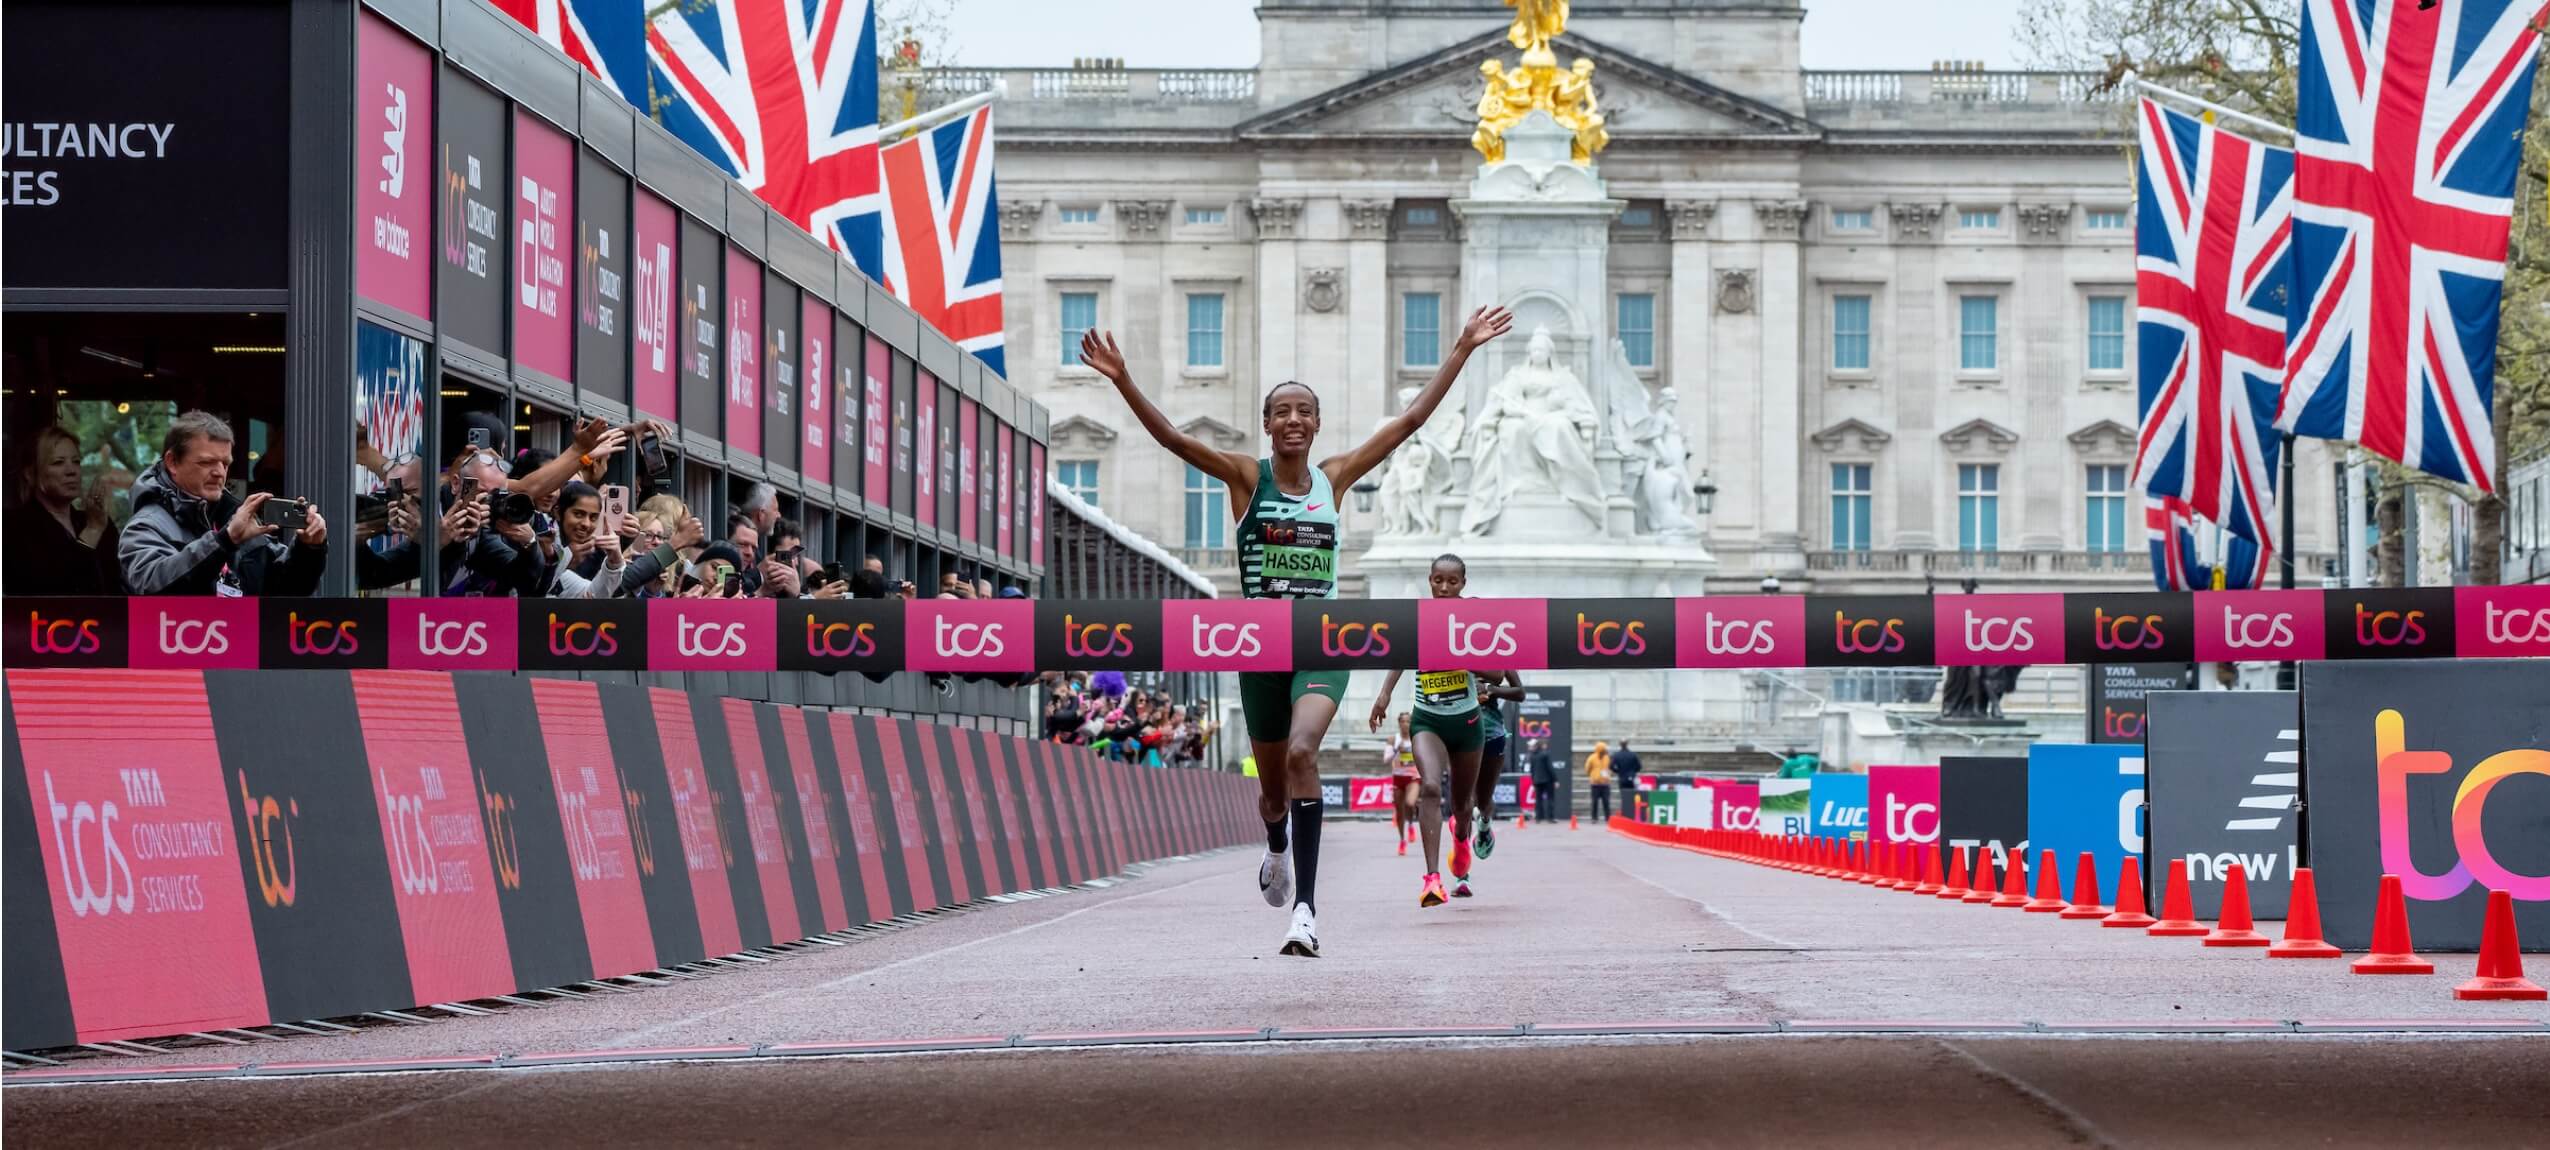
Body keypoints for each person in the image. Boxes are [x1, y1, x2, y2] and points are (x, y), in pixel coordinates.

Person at [1078, 303, 1513, 956]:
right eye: (1281, 411)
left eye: (1302, 412)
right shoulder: (1245, 477)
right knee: (1273, 796)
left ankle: (1305, 912)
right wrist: (1122, 380)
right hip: (1259, 650)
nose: (1292, 420)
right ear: (1267, 425)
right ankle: (1277, 842)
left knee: (1306, 751)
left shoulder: (1335, 479)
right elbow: (1172, 439)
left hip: (1322, 643)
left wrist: (1460, 349)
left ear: (1315, 426)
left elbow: (1412, 422)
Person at [1367, 553, 1490, 907]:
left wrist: (1477, 659)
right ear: (1430, 580)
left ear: (1463, 584)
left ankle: (1462, 840)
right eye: (1438, 580)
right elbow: (1403, 654)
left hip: (1467, 721)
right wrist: (1385, 694)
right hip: (1428, 719)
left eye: (1453, 582)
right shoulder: (1419, 615)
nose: (1445, 587)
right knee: (1432, 787)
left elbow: (1498, 664)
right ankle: (1432, 878)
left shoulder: (1473, 615)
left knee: (1463, 805)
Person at [119, 411, 330, 596]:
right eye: (206, 462)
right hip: (178, 640)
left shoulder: (234, 517)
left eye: (225, 463)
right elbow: (151, 586)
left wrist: (309, 549)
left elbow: (287, 590)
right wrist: (224, 541)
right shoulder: (148, 525)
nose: (219, 472)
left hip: (238, 639)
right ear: (172, 462)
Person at [6, 424, 116, 594]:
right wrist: (92, 532)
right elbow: (56, 589)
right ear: (30, 474)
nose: (72, 471)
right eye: (58, 463)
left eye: (76, 462)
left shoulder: (96, 521)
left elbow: (119, 588)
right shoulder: (12, 527)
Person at [1471, 671, 1524, 866]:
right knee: (1463, 802)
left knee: (1482, 800)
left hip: (1491, 733)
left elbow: (1520, 693)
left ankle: (1484, 824)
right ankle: (1462, 874)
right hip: (1459, 731)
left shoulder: (1499, 650)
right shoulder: (1452, 650)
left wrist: (1490, 689)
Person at [1385, 713, 1418, 856]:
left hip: (1413, 777)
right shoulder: (1393, 739)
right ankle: (1402, 840)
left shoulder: (1416, 739)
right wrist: (1396, 750)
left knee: (1410, 803)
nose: (1405, 724)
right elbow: (1386, 759)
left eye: (1408, 721)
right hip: (1398, 777)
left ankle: (1411, 824)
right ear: (1399, 723)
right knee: (1399, 812)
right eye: (1403, 721)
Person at [1527, 739, 1557, 823]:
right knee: (1550, 799)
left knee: (1538, 800)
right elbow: (1550, 768)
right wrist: (1555, 780)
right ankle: (1550, 818)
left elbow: (1531, 770)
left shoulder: (1532, 756)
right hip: (1547, 780)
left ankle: (1538, 818)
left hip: (1537, 780)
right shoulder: (1545, 754)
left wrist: (1533, 780)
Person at [1613, 740, 1643, 820]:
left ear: (1620, 745)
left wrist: (1618, 771)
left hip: (1622, 778)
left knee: (1623, 797)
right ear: (1627, 744)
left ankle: (1625, 814)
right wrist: (1633, 772)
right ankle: (1631, 814)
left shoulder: (1616, 755)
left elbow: (1611, 766)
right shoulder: (1633, 755)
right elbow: (1639, 766)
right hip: (1631, 778)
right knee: (1632, 796)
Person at [1586, 740, 1614, 824]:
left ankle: (1608, 818)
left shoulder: (1607, 758)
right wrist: (1593, 776)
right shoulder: (1592, 758)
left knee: (1606, 801)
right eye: (1602, 750)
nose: (1604, 752)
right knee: (1594, 802)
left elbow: (1609, 768)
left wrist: (1609, 775)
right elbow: (1587, 768)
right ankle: (1594, 818)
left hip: (1605, 784)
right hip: (1595, 784)